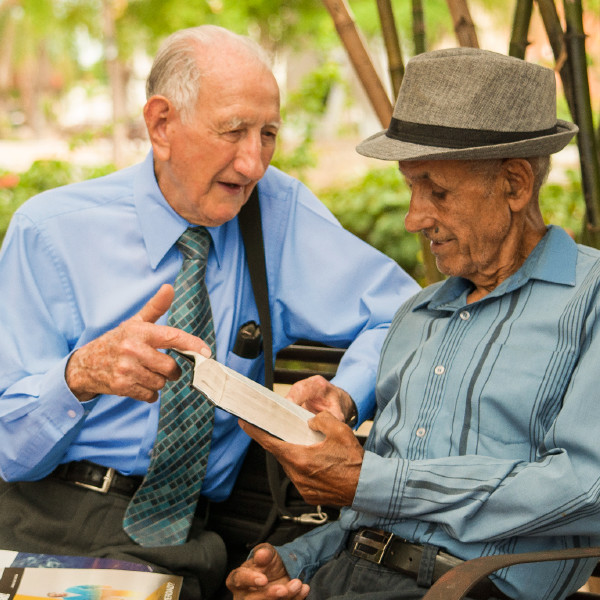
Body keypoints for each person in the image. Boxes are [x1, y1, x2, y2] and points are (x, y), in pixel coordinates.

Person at [0, 25, 419, 600]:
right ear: (161, 124)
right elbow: (8, 451)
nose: (252, 164)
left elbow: (403, 314)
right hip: (42, 512)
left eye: (268, 134)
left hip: (184, 538)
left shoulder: (278, 213)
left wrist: (344, 395)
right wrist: (80, 375)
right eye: (233, 132)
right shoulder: (50, 233)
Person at [226, 47, 600, 600]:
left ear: (516, 185)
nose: (414, 217)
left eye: (438, 192)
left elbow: (585, 487)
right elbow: (372, 522)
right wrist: (292, 561)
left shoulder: (590, 300)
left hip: (468, 587)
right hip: (346, 574)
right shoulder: (416, 315)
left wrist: (370, 482)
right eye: (410, 188)